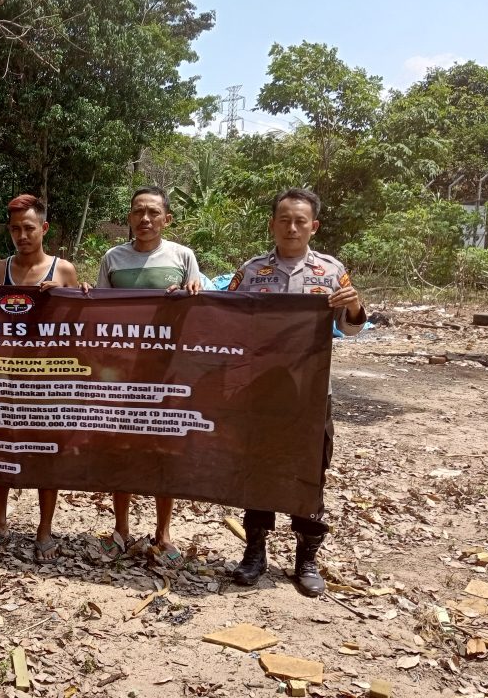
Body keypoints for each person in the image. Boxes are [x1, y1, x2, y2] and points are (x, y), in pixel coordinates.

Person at [227, 187, 366, 597]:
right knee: (258, 467)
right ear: (272, 224)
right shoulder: (251, 272)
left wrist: (354, 304)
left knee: (309, 471)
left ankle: (307, 558)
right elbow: (223, 317)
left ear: (314, 226)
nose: (291, 227)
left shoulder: (330, 270)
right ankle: (254, 553)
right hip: (261, 391)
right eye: (284, 219)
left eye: (300, 220)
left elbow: (352, 326)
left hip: (309, 394)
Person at [0, 194, 79, 563]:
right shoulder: (0, 270)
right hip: (4, 377)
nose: (22, 235)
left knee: (46, 452)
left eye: (29, 228)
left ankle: (44, 529)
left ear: (43, 228)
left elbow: (78, 326)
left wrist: (64, 298)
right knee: (0, 450)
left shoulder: (63, 269)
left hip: (47, 379)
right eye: (15, 229)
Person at [95, 186, 201, 562]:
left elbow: (198, 310)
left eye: (153, 212)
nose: (145, 219)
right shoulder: (113, 258)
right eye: (138, 211)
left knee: (163, 448)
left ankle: (163, 532)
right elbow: (101, 315)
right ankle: (121, 529)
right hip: (123, 374)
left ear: (167, 219)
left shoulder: (182, 256)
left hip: (167, 373)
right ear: (128, 217)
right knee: (121, 447)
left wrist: (192, 292)